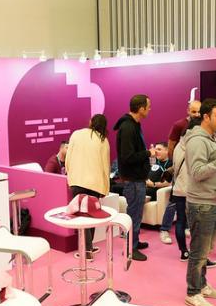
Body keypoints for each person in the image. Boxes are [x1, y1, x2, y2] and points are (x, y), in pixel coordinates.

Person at [184, 99, 216, 306]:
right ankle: (193, 293)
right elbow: (197, 172)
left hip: (213, 201)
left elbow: (210, 168)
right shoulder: (197, 140)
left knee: (205, 250)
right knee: (198, 251)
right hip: (202, 203)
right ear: (206, 117)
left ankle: (202, 285)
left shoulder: (212, 138)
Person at [113, 94, 156, 262]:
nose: (150, 109)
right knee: (134, 214)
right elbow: (127, 157)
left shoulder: (133, 125)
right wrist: (148, 153)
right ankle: (130, 248)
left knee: (136, 214)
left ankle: (134, 242)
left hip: (136, 179)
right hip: (133, 180)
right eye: (148, 107)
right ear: (141, 108)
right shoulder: (128, 128)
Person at [65, 114, 110, 260]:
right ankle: (88, 248)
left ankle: (86, 251)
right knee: (92, 214)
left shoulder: (76, 134)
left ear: (91, 122)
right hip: (95, 183)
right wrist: (106, 188)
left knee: (82, 217)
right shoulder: (103, 140)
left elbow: (68, 158)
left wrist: (69, 176)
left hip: (77, 180)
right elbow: (105, 166)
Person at [159, 100, 201, 244]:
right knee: (174, 201)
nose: (197, 114)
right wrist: (175, 166)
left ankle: (187, 227)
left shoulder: (203, 125)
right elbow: (171, 145)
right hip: (180, 169)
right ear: (188, 111)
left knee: (190, 200)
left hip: (194, 170)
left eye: (199, 111)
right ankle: (164, 229)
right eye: (194, 111)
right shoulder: (179, 125)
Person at [170, 117, 202, 261]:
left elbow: (175, 166)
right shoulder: (197, 145)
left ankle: (184, 252)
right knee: (197, 223)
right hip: (194, 190)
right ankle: (197, 253)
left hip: (179, 188)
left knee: (180, 221)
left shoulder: (178, 145)